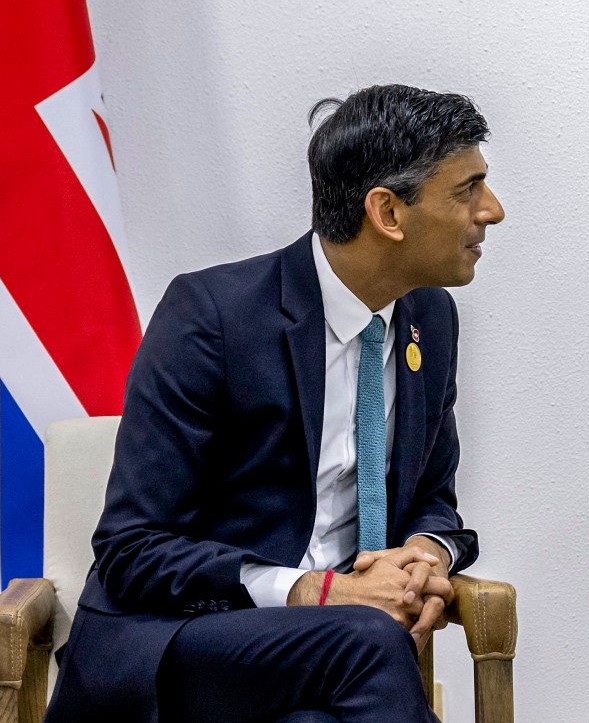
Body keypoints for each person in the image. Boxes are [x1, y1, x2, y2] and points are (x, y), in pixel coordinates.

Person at [44, 84, 506, 723]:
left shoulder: (432, 318)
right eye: (467, 190)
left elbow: (433, 496)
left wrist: (424, 556)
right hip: (179, 642)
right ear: (388, 213)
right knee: (366, 641)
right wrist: (322, 592)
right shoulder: (213, 317)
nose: (493, 210)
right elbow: (132, 550)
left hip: (324, 663)